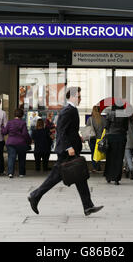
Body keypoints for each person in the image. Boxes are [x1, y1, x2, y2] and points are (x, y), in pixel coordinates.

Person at [28, 87, 103, 216]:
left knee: (80, 176)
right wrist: (69, 147)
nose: (80, 98)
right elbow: (61, 130)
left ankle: (88, 206)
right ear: (73, 97)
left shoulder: (71, 110)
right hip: (67, 151)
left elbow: (68, 130)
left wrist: (77, 137)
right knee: (57, 177)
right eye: (79, 96)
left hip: (70, 150)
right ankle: (35, 195)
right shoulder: (68, 110)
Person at [104, 100, 129, 185]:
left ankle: (108, 176)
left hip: (111, 137)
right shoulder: (125, 115)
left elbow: (106, 126)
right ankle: (116, 178)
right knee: (119, 158)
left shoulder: (110, 114)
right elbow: (126, 128)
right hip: (121, 137)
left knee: (110, 157)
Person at [2, 108, 32, 178]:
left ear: (14, 114)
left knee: (11, 158)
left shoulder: (9, 122)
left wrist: (2, 127)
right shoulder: (23, 123)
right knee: (22, 158)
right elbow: (25, 134)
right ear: (22, 115)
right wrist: (29, 141)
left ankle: (10, 173)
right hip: (21, 143)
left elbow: (4, 132)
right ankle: (21, 173)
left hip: (11, 143)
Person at [86, 105, 106, 173]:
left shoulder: (90, 119)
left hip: (92, 138)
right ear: (100, 111)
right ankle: (98, 166)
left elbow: (87, 128)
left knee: (93, 153)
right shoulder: (103, 119)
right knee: (98, 152)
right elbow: (105, 129)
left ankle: (95, 167)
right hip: (100, 139)